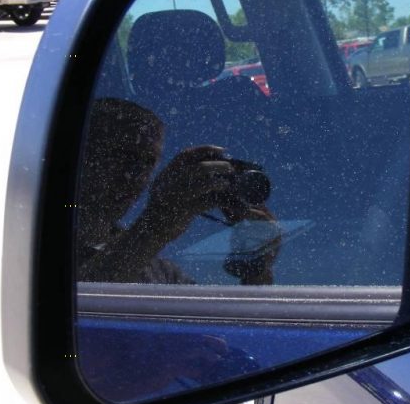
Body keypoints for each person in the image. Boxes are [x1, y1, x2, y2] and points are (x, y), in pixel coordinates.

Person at [77, 97, 279, 285]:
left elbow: (210, 322)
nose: (134, 173)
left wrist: (255, 263)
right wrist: (158, 222)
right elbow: (78, 294)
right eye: (121, 155)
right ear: (83, 157)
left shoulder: (158, 270)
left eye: (148, 162)